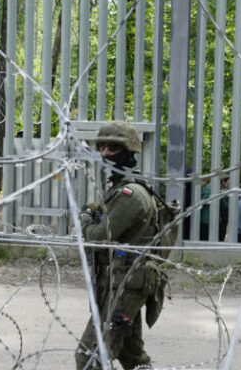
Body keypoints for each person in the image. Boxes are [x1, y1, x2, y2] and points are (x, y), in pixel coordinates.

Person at [76, 121, 163, 370]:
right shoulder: (121, 189)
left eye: (112, 148)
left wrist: (83, 218)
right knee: (132, 356)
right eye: (102, 146)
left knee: (89, 357)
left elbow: (97, 237)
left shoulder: (131, 195)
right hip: (122, 281)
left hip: (125, 284)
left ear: (128, 151)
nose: (104, 153)